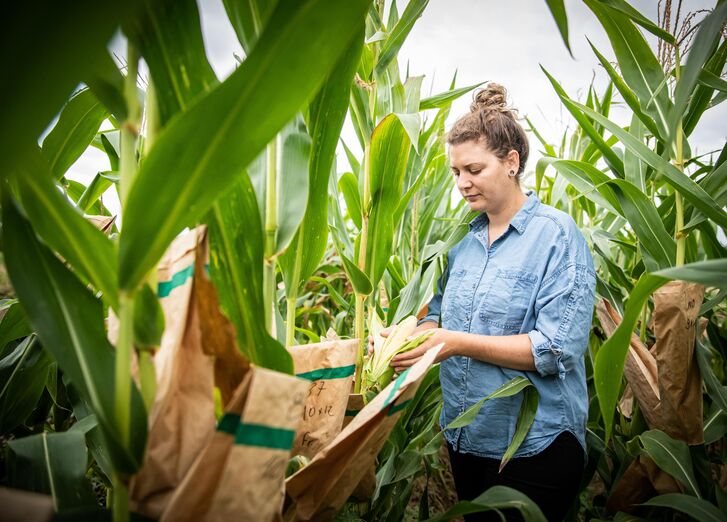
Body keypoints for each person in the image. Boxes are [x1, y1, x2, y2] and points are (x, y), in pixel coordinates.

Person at [376, 84, 596, 521]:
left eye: (473, 169)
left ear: (511, 162)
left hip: (536, 445)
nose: (462, 183)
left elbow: (554, 349)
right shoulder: (462, 241)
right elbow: (437, 314)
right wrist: (401, 341)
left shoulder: (556, 236)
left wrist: (452, 343)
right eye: (456, 171)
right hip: (467, 439)